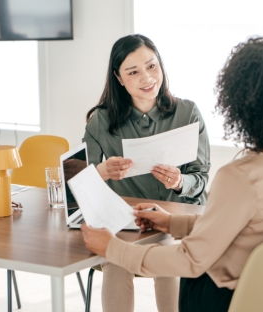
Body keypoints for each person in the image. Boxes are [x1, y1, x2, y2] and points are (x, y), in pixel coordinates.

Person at [81, 37, 263, 312]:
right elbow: (246, 228)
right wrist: (172, 222)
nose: (146, 77)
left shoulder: (239, 176)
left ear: (238, 105)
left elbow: (190, 260)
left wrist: (112, 249)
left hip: (231, 299)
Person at [82, 34, 211, 312]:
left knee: (168, 255)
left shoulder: (188, 112)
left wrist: (180, 182)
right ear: (119, 77)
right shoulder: (100, 121)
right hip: (125, 224)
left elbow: (200, 179)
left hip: (172, 221)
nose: (147, 77)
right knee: (116, 261)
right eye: (134, 72)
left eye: (152, 66)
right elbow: (80, 186)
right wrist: (102, 172)